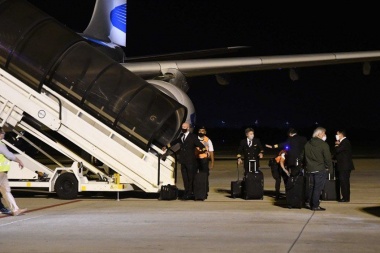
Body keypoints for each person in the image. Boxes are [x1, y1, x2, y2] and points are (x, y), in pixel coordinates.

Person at [164, 122, 206, 200]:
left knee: (190, 177)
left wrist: (203, 150)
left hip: (190, 161)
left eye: (184, 127)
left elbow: (201, 145)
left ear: (188, 128)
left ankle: (190, 193)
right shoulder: (181, 136)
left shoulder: (193, 137)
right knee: (185, 178)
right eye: (182, 126)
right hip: (183, 160)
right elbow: (175, 141)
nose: (183, 128)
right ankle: (186, 192)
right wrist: (166, 146)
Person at [302, 127, 333, 211]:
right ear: (319, 134)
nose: (324, 135)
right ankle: (315, 205)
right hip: (320, 169)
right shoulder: (323, 144)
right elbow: (328, 158)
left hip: (310, 169)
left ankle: (309, 202)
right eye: (323, 133)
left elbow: (303, 157)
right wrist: (328, 168)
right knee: (318, 188)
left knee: (312, 187)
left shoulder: (307, 144)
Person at [0, 127, 27, 216]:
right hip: (0, 171)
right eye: (3, 132)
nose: (4, 134)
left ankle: (15, 209)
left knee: (6, 191)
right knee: (6, 191)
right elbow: (9, 155)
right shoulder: (0, 144)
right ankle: (15, 209)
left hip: (2, 172)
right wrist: (19, 160)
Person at [334, 129, 355, 202]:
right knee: (344, 182)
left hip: (344, 166)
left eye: (337, 134)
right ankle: (346, 197)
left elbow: (338, 151)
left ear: (341, 134)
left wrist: (336, 145)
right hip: (343, 166)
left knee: (344, 182)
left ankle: (345, 197)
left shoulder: (345, 142)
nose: (336, 136)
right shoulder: (343, 142)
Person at [195, 126, 214, 197]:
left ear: (205, 132)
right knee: (195, 175)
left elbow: (211, 151)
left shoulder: (208, 140)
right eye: (200, 131)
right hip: (196, 159)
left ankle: (205, 190)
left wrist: (212, 162)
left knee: (205, 175)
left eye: (202, 131)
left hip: (204, 160)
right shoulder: (195, 139)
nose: (201, 132)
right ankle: (196, 190)